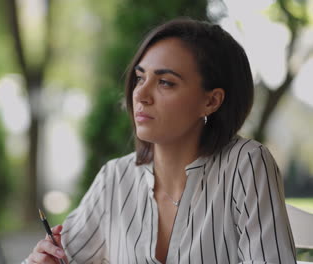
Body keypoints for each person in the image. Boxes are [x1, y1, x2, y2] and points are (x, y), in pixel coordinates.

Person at [25, 18, 297, 264]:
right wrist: (44, 260)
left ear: (211, 101)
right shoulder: (115, 179)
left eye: (165, 82)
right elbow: (59, 257)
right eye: (141, 78)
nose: (141, 94)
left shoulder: (245, 164)